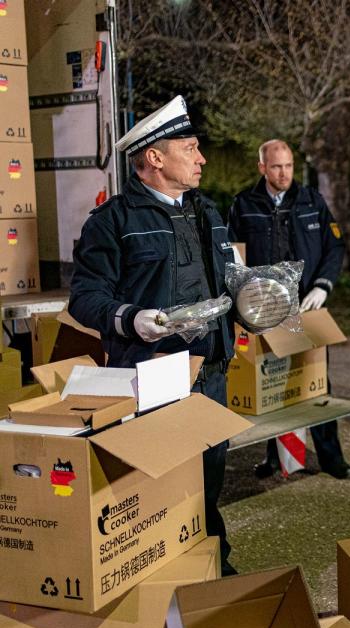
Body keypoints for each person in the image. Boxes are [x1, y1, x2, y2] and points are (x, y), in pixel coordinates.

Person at [69, 96, 238, 576]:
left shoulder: (208, 212)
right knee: (160, 490)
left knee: (208, 483)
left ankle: (213, 571)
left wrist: (255, 300)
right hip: (153, 381)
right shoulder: (112, 222)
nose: (201, 158)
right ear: (156, 159)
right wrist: (130, 318)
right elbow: (83, 298)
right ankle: (165, 580)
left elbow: (225, 282)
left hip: (210, 375)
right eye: (191, 148)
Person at [229, 139, 350, 480]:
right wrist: (246, 300)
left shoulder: (312, 201)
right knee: (270, 384)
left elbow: (334, 246)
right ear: (262, 168)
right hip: (265, 313)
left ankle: (331, 458)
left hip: (308, 308)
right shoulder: (244, 205)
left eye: (288, 166)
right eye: (276, 167)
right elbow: (233, 256)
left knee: (316, 385)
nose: (284, 173)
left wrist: (322, 286)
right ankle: (275, 457)